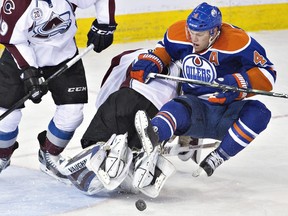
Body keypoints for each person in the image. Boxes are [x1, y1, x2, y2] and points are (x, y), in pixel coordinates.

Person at [130, 2, 276, 177]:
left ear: (213, 32)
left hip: (226, 113)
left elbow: (267, 74)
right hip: (193, 108)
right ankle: (151, 138)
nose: (193, 38)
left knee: (259, 113)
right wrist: (154, 60)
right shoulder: (179, 34)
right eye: (190, 32)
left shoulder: (237, 42)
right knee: (174, 108)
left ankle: (218, 157)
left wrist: (237, 84)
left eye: (199, 34)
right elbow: (166, 49)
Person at [0, 0, 117, 182]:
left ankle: (49, 154)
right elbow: (12, 40)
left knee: (72, 114)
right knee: (6, 117)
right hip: (21, 61)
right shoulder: (17, 4)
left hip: (64, 56)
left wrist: (105, 25)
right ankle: (1, 155)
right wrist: (29, 71)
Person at [59, 48, 180, 197]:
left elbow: (111, 81)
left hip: (127, 99)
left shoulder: (132, 54)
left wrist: (104, 114)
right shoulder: (189, 64)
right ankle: (135, 159)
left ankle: (111, 151)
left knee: (97, 142)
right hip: (158, 114)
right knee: (138, 154)